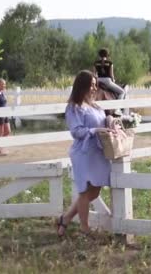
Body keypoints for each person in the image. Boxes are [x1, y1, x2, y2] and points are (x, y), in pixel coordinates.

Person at [56, 70, 113, 237]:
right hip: (84, 152)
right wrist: (95, 130)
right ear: (82, 86)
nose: (95, 88)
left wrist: (110, 121)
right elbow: (77, 131)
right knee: (84, 191)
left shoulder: (94, 105)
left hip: (98, 152)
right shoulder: (74, 107)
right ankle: (84, 227)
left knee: (94, 191)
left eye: (95, 85)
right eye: (92, 85)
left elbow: (102, 121)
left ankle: (65, 219)